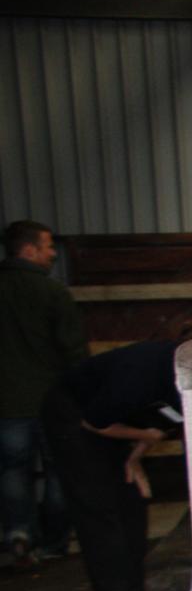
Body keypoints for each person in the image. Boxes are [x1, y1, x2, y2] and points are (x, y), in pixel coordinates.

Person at [41, 318, 192, 591]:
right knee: (98, 505)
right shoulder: (142, 372)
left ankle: (136, 588)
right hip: (73, 414)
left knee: (131, 501)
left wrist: (134, 459)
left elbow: (161, 421)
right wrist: (143, 438)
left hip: (113, 422)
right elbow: (95, 423)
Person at [0, 219, 85, 563]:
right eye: (49, 247)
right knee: (59, 471)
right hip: (53, 400)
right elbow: (73, 350)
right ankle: (54, 542)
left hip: (6, 404)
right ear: (30, 249)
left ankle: (19, 533)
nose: (52, 254)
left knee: (11, 470)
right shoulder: (53, 293)